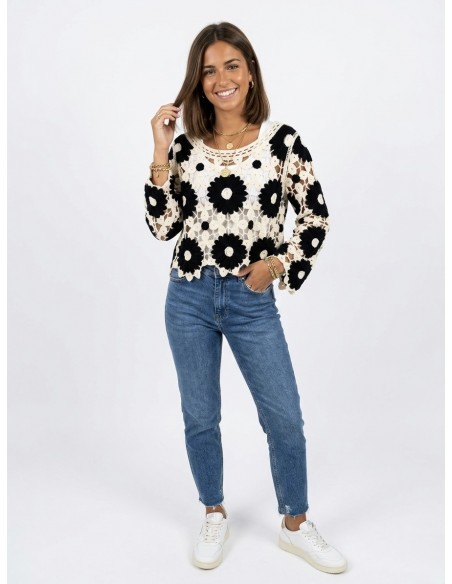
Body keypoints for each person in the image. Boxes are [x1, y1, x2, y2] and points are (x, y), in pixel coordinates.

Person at [144, 21, 346, 574]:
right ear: (198, 81)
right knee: (200, 417)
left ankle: (296, 525)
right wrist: (160, 149)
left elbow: (316, 217)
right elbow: (163, 227)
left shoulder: (282, 141)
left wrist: (276, 264)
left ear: (250, 71)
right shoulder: (185, 147)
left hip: (251, 300)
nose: (221, 79)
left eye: (231, 65)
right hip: (188, 295)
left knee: (284, 418)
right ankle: (213, 511)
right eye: (208, 71)